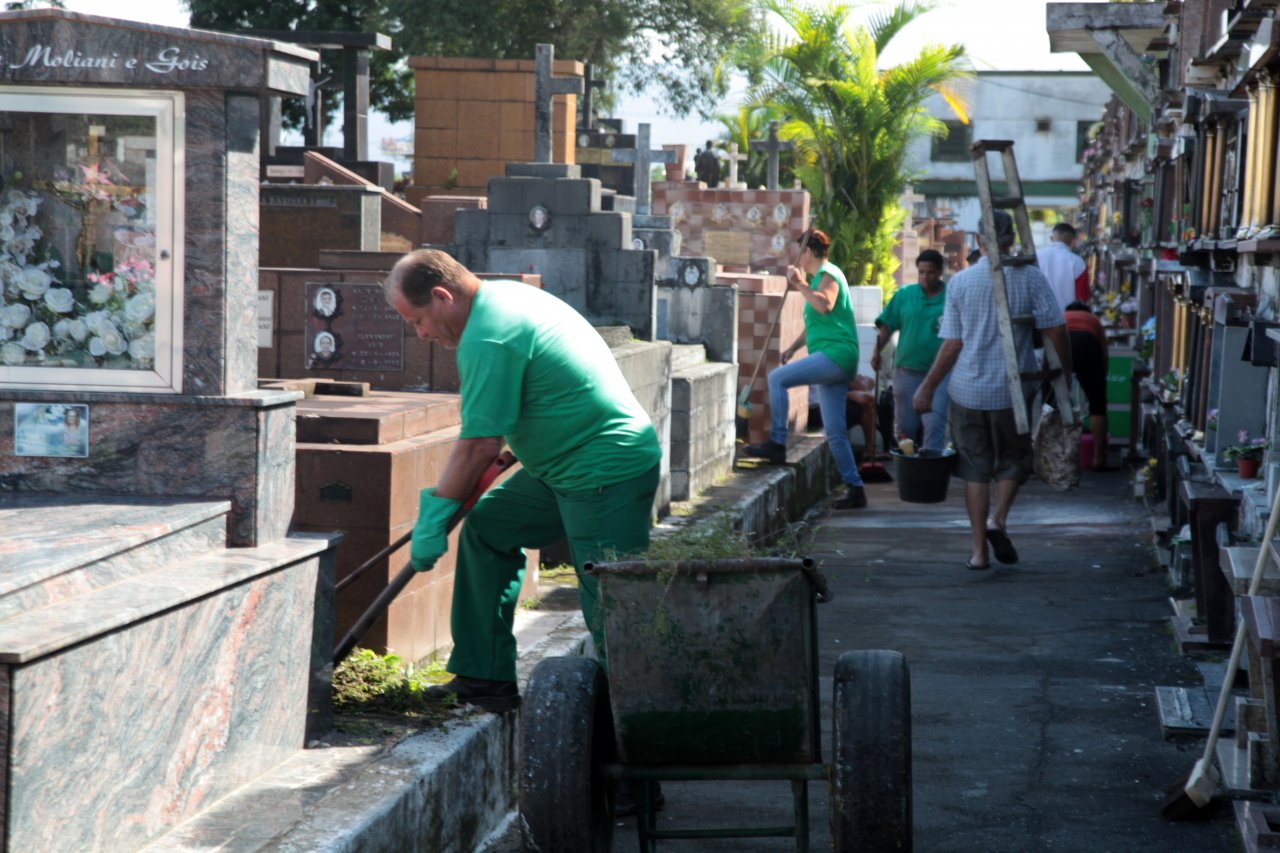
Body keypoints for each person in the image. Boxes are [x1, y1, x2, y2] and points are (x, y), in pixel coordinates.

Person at [385, 250, 661, 712]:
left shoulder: (488, 335)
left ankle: (638, 739)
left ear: (441, 295)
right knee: (490, 529)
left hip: (603, 471)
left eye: (418, 321)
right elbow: (541, 390)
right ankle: (483, 674)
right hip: (561, 465)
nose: (421, 334)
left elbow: (477, 445)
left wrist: (434, 516)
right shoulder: (503, 298)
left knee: (612, 605)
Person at [912, 210, 1071, 570]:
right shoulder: (1030, 278)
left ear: (979, 242)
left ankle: (979, 552)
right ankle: (998, 519)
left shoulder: (962, 283)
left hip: (967, 389)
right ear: (1011, 240)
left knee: (974, 469)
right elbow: (1056, 331)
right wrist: (1064, 376)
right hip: (1013, 390)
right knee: (1014, 460)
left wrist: (926, 387)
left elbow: (952, 344)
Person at [741, 228, 867, 509]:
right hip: (831, 355)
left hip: (837, 355)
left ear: (807, 252)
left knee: (777, 378)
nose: (797, 261)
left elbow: (824, 305)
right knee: (834, 431)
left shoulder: (829, 274)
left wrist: (799, 284)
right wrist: (794, 348)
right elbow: (818, 326)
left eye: (799, 254)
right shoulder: (817, 280)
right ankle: (855, 488)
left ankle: (776, 442)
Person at [872, 249, 950, 451]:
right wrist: (876, 350)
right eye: (921, 272)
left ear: (940, 271)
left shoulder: (951, 297)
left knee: (934, 425)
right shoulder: (905, 295)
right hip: (906, 372)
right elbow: (887, 325)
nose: (925, 277)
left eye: (930, 272)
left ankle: (931, 471)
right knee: (905, 428)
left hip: (940, 375)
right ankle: (909, 470)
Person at [1064, 300, 1112, 471]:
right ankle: (1098, 458)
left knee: (1053, 403)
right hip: (1088, 343)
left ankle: (1056, 456)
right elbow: (1104, 352)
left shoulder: (1063, 316)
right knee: (1097, 405)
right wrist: (1100, 380)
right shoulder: (1093, 320)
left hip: (1063, 341)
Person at [1036, 222, 1088, 311]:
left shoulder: (1036, 257)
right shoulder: (1078, 262)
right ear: (1073, 240)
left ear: (1051, 238)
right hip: (1068, 317)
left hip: (1040, 316)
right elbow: (1082, 296)